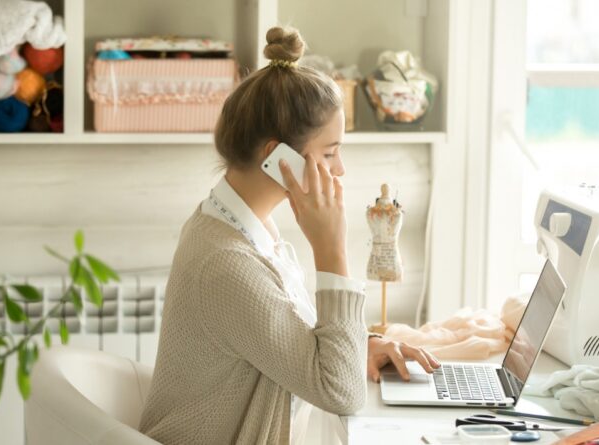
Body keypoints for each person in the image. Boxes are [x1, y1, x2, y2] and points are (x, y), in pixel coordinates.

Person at [139, 26, 440, 444]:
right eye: (330, 153)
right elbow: (341, 393)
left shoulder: (239, 223)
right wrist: (331, 248)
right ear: (276, 158)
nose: (340, 170)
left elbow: (286, 333)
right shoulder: (226, 262)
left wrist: (360, 346)